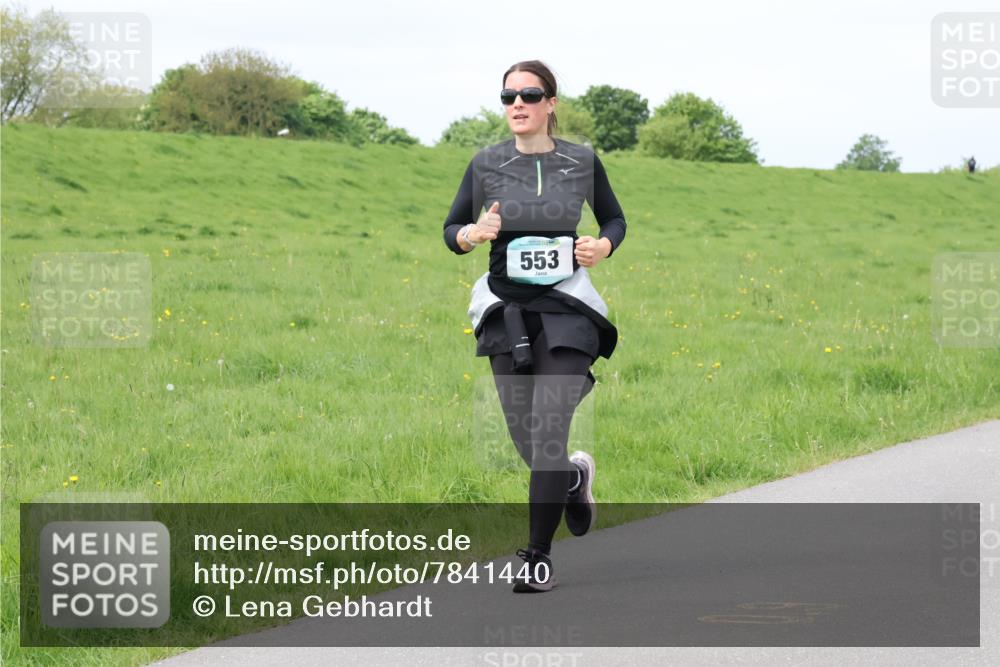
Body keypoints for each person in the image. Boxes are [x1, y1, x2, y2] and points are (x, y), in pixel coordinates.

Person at [443, 60, 627, 593]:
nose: (517, 104)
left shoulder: (581, 161)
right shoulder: (486, 164)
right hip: (506, 309)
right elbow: (451, 228)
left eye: (529, 94)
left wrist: (603, 245)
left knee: (549, 431)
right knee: (528, 440)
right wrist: (473, 234)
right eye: (508, 96)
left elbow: (614, 218)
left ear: (550, 104)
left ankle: (537, 558)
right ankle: (572, 478)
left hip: (567, 309)